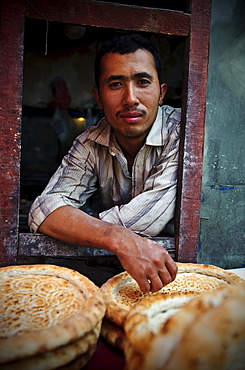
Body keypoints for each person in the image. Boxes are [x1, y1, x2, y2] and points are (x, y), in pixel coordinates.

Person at [29, 33, 181, 293]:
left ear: (161, 93)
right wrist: (117, 238)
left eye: (143, 82)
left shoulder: (183, 132)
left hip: (181, 275)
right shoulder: (91, 141)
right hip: (119, 278)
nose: (130, 98)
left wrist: (83, 226)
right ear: (98, 97)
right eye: (115, 84)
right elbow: (43, 209)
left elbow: (149, 221)